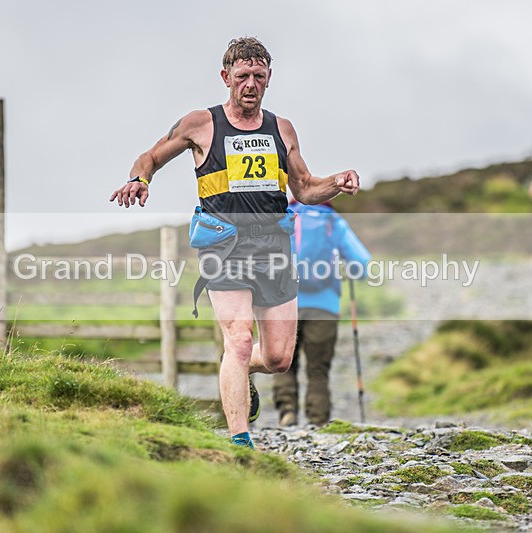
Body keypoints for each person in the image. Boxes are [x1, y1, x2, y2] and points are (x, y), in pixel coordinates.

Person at [109, 37, 360, 449]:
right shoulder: (200, 124)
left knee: (279, 358)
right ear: (226, 77)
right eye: (241, 76)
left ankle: (239, 370)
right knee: (240, 338)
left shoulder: (282, 129)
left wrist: (337, 182)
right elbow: (151, 156)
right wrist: (140, 179)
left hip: (274, 245)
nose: (250, 85)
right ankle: (240, 444)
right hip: (223, 244)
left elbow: (305, 187)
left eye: (258, 77)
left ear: (268, 80)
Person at [273, 199, 371, 427]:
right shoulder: (333, 222)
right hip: (324, 306)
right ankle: (317, 422)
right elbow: (362, 263)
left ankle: (287, 411)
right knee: (318, 370)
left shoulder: (284, 217)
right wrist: (349, 270)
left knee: (283, 362)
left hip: (283, 302)